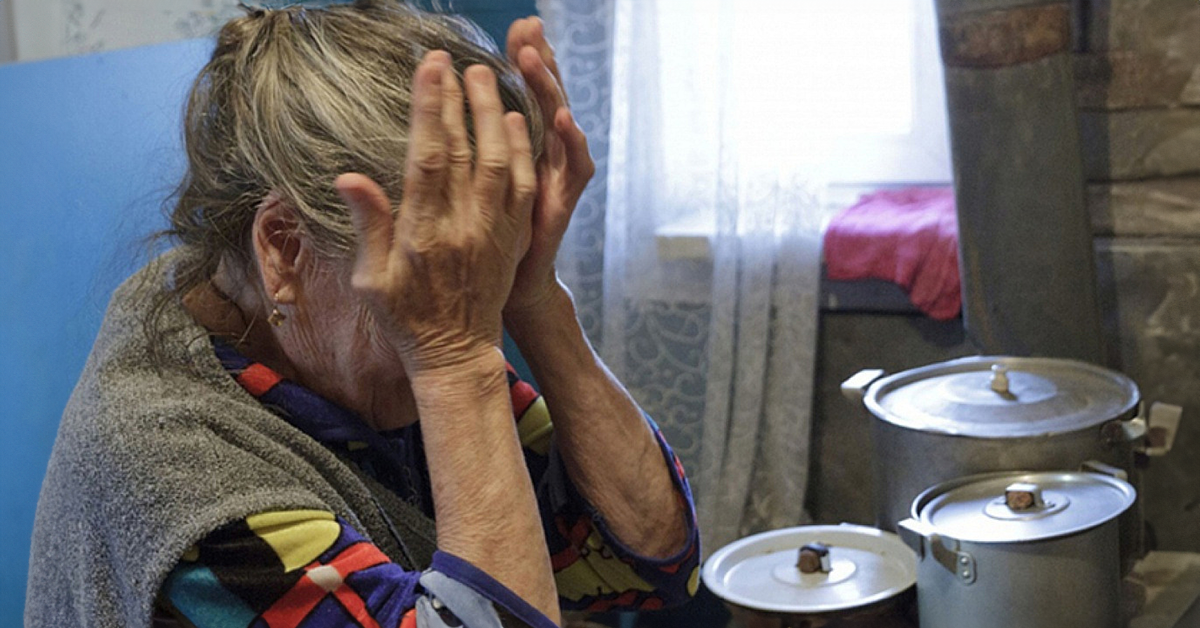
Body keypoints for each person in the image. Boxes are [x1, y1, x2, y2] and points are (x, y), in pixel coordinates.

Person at [24, 3, 699, 627]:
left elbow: (652, 555)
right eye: (440, 284)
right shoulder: (185, 488)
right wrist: (452, 359)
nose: (477, 327)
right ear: (285, 249)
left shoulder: (326, 326)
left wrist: (534, 293)